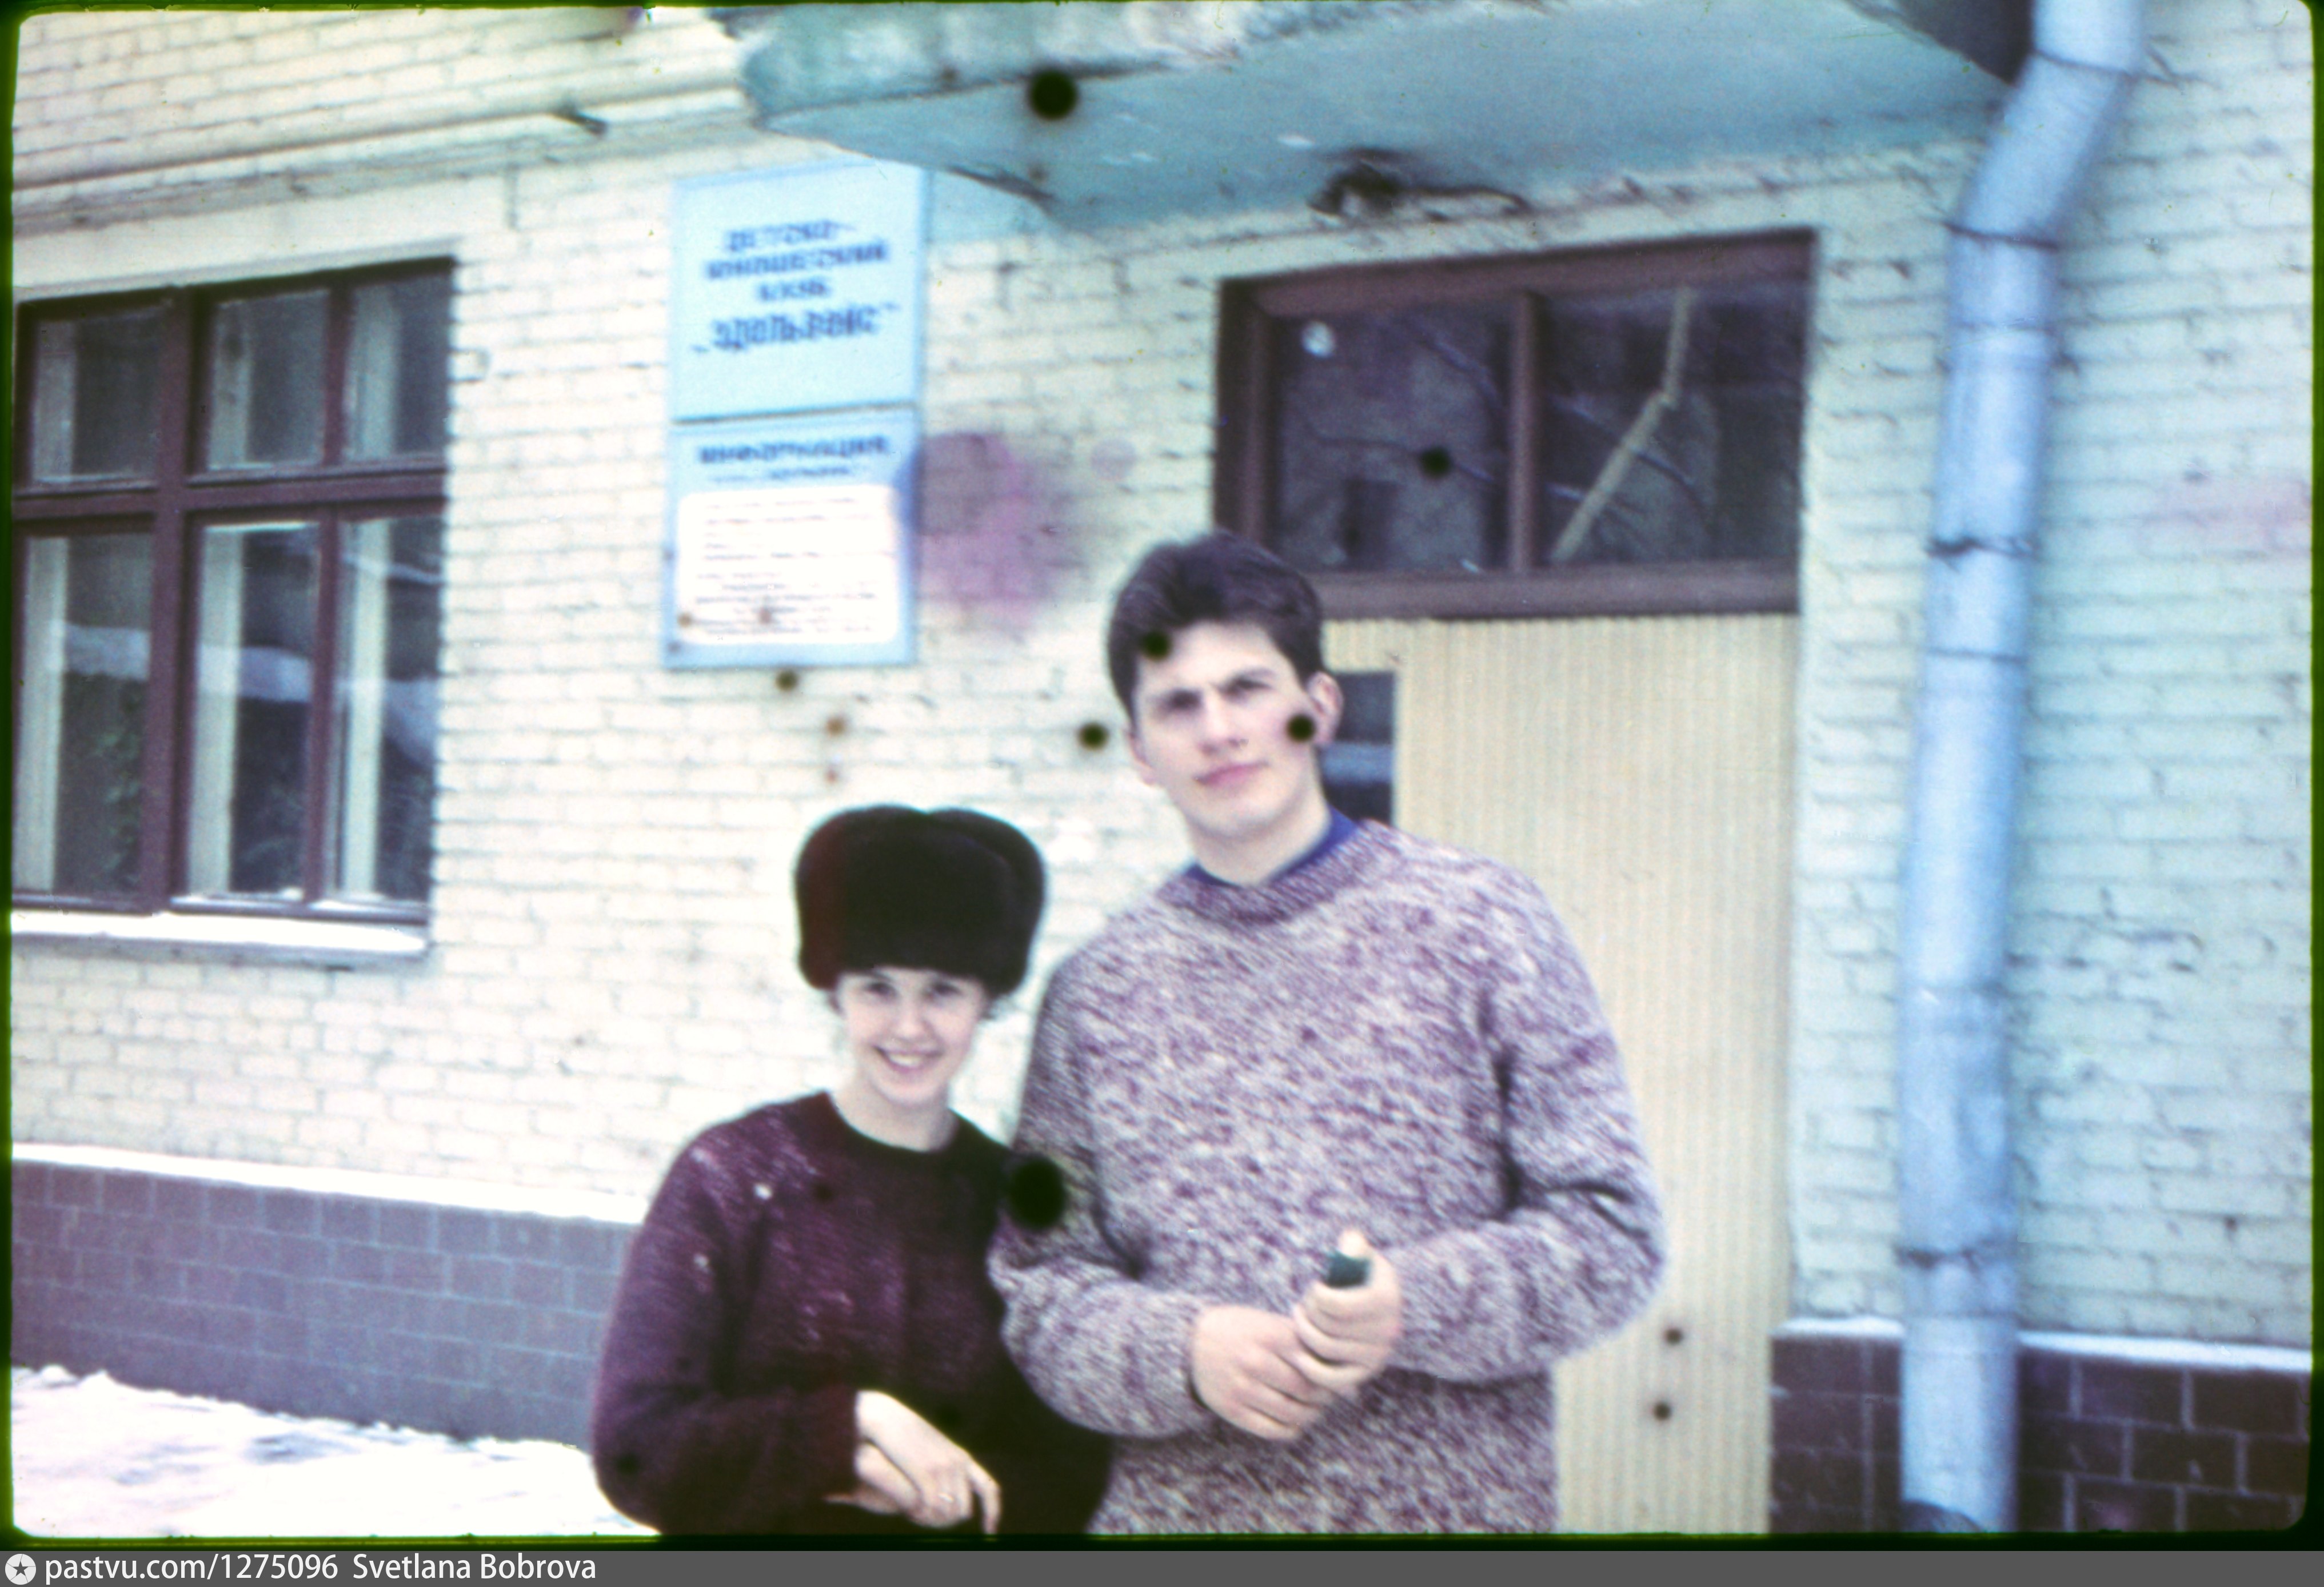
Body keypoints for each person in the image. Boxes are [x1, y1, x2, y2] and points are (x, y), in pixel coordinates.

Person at [991, 533, 1666, 1533]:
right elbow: (1041, 1292)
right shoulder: (1094, 994)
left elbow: (1612, 1233)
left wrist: (1415, 1305)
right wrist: (1182, 1352)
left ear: (1320, 705)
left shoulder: (1483, 926)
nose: (1220, 729)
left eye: (1248, 688)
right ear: (1138, 751)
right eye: (1178, 704)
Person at [592, 806, 1109, 1535]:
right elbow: (636, 1448)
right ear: (834, 993)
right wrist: (853, 1428)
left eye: (942, 990)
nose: (908, 1027)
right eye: (876, 987)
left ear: (986, 1002)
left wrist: (932, 1494)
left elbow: (1068, 1469)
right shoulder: (733, 1175)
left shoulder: (1013, 1200)